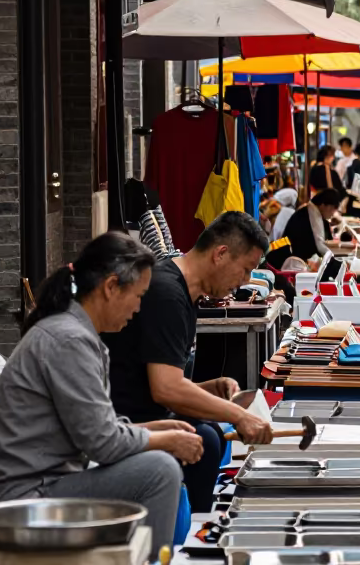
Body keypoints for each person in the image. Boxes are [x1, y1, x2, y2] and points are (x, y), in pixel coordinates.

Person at [0, 233, 203, 557]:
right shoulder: (69, 340)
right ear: (111, 287)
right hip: (22, 498)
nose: (139, 308)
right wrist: (165, 441)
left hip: (41, 484)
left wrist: (157, 429)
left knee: (160, 453)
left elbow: (98, 427)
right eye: (138, 295)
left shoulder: (75, 332)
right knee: (160, 470)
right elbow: (103, 443)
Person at [104, 211, 275, 512]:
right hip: (123, 422)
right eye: (246, 269)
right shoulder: (166, 293)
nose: (246, 282)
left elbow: (156, 376)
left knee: (211, 433)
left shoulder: (183, 292)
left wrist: (209, 388)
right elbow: (166, 390)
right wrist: (239, 416)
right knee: (206, 439)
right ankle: (185, 536)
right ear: (221, 254)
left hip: (148, 408)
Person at [280, 188, 344, 261]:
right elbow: (320, 247)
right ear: (323, 205)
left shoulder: (312, 211)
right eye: (332, 209)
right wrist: (337, 259)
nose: (333, 213)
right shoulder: (311, 215)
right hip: (294, 259)